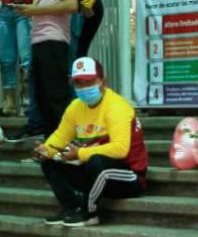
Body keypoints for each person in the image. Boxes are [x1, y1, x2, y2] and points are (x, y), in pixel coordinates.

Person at [33, 58, 148, 227]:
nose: (84, 88)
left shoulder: (117, 106)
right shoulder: (76, 107)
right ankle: (71, 208)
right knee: (50, 161)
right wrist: (45, 150)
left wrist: (79, 153)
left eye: (89, 82)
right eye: (79, 83)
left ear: (103, 81)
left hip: (129, 177)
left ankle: (90, 213)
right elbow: (60, 136)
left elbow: (120, 149)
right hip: (96, 174)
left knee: (97, 161)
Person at [13, 0, 78, 138]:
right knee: (40, 95)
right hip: (38, 38)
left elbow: (71, 4)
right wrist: (31, 7)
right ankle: (50, 142)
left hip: (55, 38)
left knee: (56, 94)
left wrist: (35, 10)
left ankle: (66, 140)